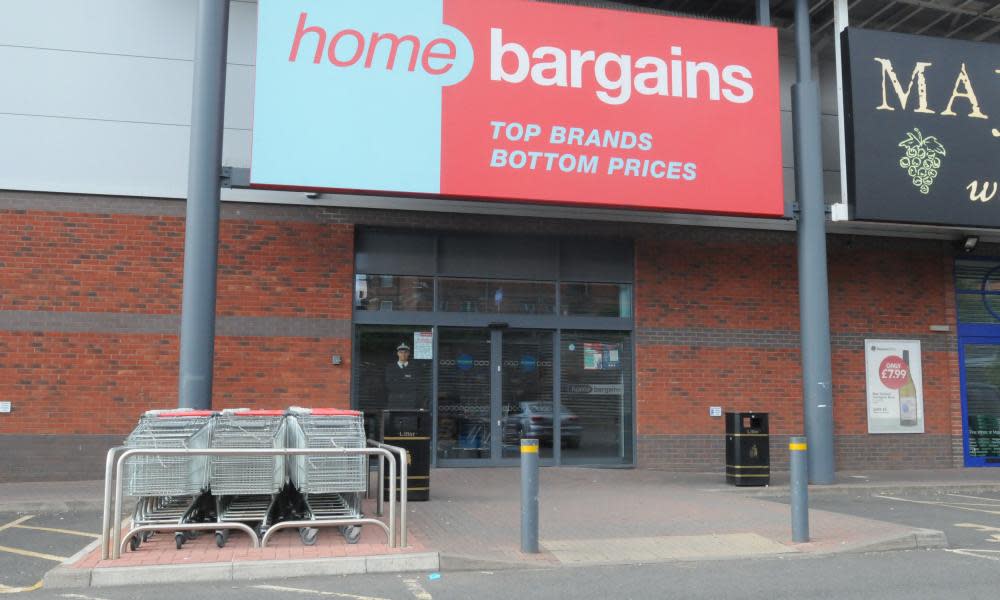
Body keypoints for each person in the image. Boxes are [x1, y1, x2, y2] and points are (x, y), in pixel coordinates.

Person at [384, 341, 424, 409]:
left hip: (410, 402)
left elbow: (416, 385)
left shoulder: (414, 368)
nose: (403, 354)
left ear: (408, 353)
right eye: (401, 352)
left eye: (405, 352)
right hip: (395, 401)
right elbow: (389, 385)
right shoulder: (390, 368)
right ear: (397, 353)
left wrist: (398, 381)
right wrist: (406, 381)